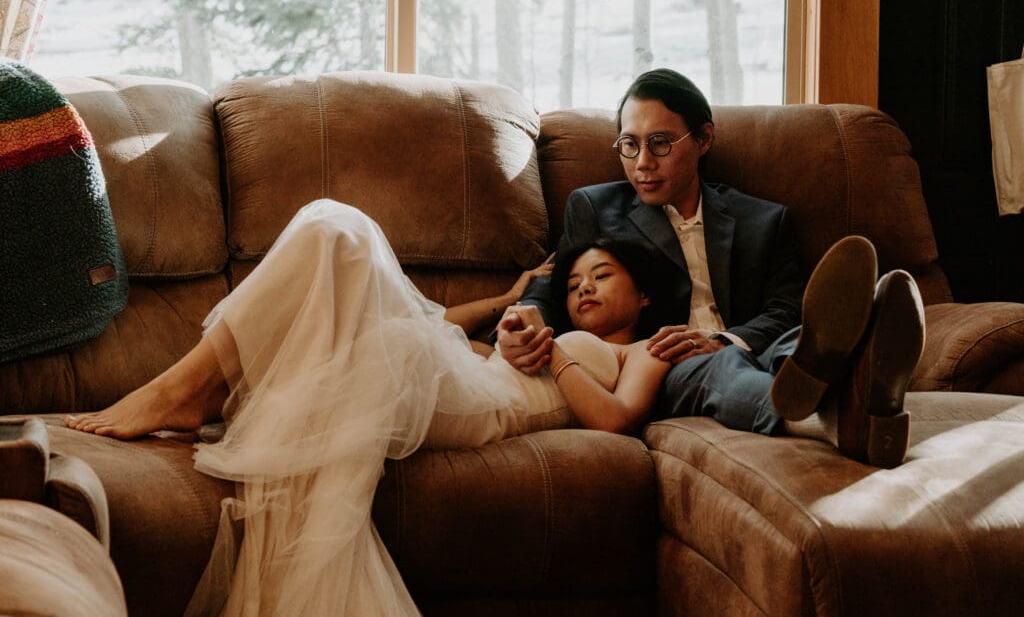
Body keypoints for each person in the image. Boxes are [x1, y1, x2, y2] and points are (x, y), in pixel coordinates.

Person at [65, 199, 673, 615]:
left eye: (602, 276)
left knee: (339, 234)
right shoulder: (536, 333)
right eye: (572, 283)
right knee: (332, 227)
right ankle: (204, 387)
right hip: (458, 375)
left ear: (644, 295)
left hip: (483, 406)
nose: (583, 287)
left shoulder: (644, 349)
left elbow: (617, 420)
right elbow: (438, 328)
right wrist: (508, 304)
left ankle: (190, 389)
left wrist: (554, 359)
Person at [498, 67, 925, 469]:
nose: (642, 162)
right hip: (662, 362)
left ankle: (863, 367)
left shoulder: (764, 219)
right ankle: (836, 417)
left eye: (660, 143)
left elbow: (785, 309)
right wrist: (523, 319)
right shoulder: (595, 207)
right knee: (718, 370)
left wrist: (724, 339)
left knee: (798, 341)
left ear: (703, 139)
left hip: (746, 345)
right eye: (630, 144)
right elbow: (555, 287)